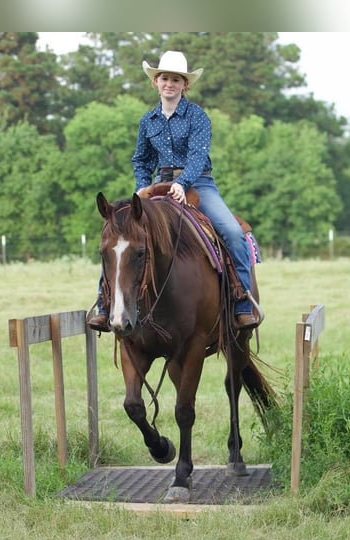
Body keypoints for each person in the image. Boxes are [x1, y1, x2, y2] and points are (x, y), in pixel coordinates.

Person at [88, 50, 260, 332]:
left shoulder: (198, 117)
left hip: (199, 183)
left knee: (231, 231)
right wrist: (142, 186)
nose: (170, 83)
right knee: (119, 235)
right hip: (157, 185)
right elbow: (141, 159)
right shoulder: (148, 121)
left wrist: (183, 183)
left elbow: (197, 156)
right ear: (155, 82)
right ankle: (104, 303)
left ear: (185, 85)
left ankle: (242, 302)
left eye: (176, 79)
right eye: (164, 78)